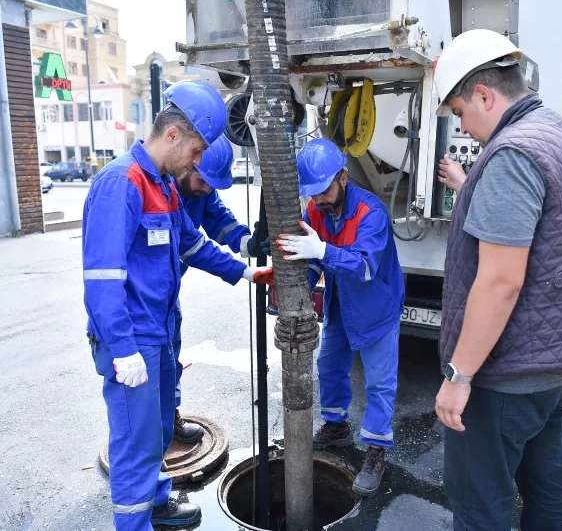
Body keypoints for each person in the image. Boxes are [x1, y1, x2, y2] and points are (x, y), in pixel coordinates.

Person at [432, 29, 562, 530]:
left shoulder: (511, 154)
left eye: (462, 113)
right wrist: (473, 188)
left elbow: (501, 281)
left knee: (480, 503)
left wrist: (459, 377)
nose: (463, 128)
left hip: (510, 372)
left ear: (485, 95)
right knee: (546, 483)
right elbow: (549, 225)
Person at [82, 80, 274, 530]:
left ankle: (157, 501)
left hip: (161, 329)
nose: (197, 161)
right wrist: (123, 348)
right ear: (173, 136)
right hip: (132, 339)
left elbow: (191, 245)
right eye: (196, 151)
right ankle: (135, 523)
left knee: (158, 434)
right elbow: (102, 279)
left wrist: (245, 272)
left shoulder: (165, 187)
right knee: (135, 443)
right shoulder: (122, 183)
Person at [276, 138, 404, 497]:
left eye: (324, 190)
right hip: (340, 305)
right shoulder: (316, 210)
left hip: (376, 309)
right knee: (330, 366)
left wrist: (323, 250)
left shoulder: (371, 213)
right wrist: (293, 281)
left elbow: (363, 266)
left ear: (343, 178)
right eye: (312, 194)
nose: (318, 200)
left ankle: (377, 449)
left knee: (378, 384)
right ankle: (336, 426)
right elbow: (312, 257)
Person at [170, 135, 269, 444]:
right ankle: (145, 442)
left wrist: (246, 242)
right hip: (140, 295)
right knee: (145, 370)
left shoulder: (199, 188)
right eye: (203, 180)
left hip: (167, 289)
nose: (207, 188)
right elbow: (195, 248)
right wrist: (245, 271)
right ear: (189, 161)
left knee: (170, 352)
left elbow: (220, 220)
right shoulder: (160, 189)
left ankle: (169, 417)